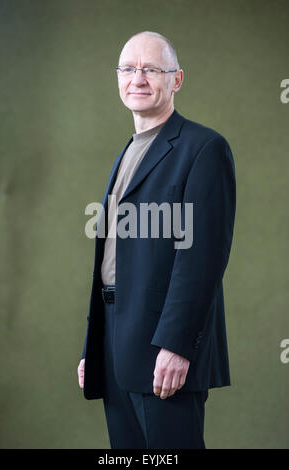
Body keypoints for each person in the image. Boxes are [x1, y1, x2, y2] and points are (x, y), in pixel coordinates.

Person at [77, 31, 236, 449]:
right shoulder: (128, 151)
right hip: (116, 341)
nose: (138, 78)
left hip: (161, 349)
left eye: (151, 69)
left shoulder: (204, 148)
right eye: (128, 68)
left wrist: (177, 346)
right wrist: (93, 346)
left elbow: (201, 258)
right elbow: (114, 260)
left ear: (177, 80)